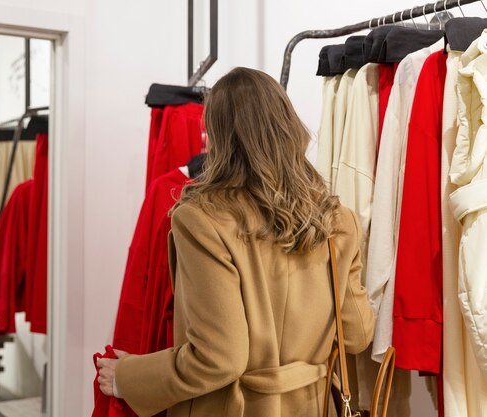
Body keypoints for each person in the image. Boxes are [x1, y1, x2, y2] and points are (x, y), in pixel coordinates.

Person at [96, 67, 375, 417]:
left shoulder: (202, 219)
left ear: (218, 135)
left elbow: (218, 357)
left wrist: (128, 377)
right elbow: (357, 334)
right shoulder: (336, 219)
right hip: (314, 406)